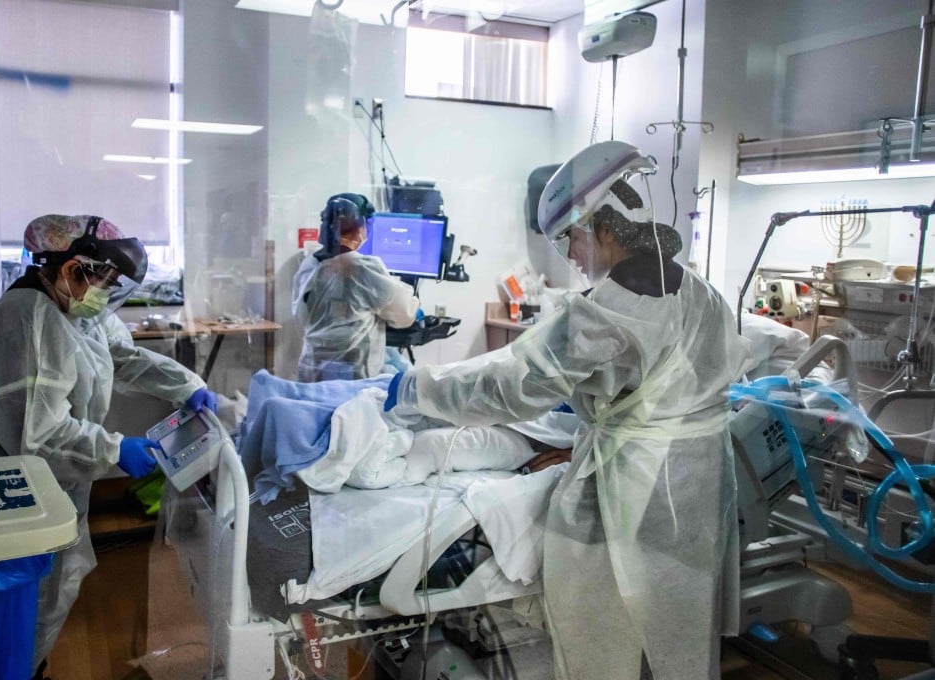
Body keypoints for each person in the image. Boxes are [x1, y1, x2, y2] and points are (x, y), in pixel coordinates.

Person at [385, 142, 753, 680]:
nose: (570, 256)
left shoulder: (611, 309)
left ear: (603, 226)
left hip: (639, 487)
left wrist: (417, 389)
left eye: (570, 239)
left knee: (607, 631)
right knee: (678, 629)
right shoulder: (697, 289)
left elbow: (510, 387)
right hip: (697, 484)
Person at [0, 214, 218, 675]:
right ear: (72, 268)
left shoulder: (74, 310)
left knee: (49, 594)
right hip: (14, 492)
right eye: (104, 279)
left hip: (52, 485)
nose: (106, 293)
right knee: (19, 600)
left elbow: (124, 357)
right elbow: (38, 436)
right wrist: (116, 451)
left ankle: (27, 666)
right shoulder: (29, 319)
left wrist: (185, 384)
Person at [292, 193, 421, 382]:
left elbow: (301, 316)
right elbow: (405, 314)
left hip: (311, 368)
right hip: (350, 376)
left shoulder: (308, 265)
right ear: (360, 226)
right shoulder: (361, 268)